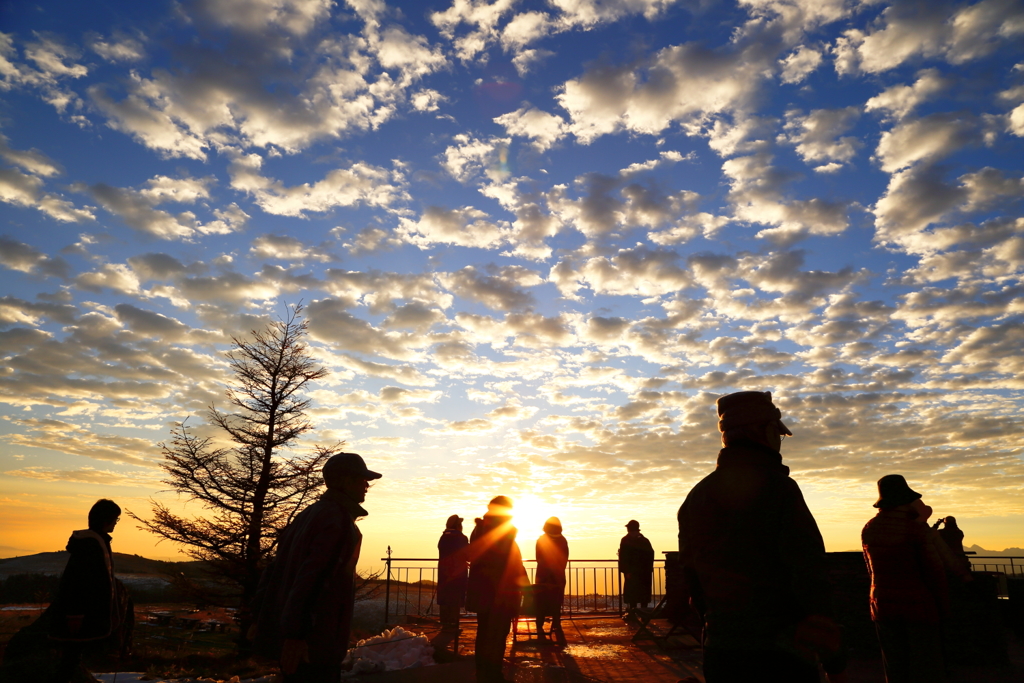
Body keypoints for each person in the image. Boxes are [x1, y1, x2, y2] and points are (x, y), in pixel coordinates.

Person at [678, 390, 846, 683]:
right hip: (782, 654)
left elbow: (694, 582)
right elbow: (808, 575)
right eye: (777, 434)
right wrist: (834, 658)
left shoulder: (696, 496)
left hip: (722, 649)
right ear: (766, 431)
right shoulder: (779, 489)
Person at [250, 453, 381, 683]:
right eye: (362, 480)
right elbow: (316, 578)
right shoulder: (338, 522)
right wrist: (297, 636)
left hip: (301, 642)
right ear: (346, 481)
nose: (367, 486)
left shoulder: (308, 515)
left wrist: (258, 618)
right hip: (315, 645)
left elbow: (274, 570)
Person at [863, 475, 950, 683]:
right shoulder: (915, 529)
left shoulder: (869, 528)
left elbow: (870, 569)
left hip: (882, 606)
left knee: (894, 666)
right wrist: (944, 606)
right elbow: (934, 571)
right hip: (918, 606)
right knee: (926, 667)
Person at [47, 499, 133, 683]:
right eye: (116, 520)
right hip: (84, 614)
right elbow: (77, 580)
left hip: (85, 612)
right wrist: (75, 614)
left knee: (72, 659)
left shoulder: (93, 541)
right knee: (70, 659)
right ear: (107, 520)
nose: (116, 524)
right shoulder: (92, 545)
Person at [466, 496, 528, 683]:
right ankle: (493, 675)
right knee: (497, 635)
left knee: (485, 633)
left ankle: (484, 673)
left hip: (484, 591)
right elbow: (510, 562)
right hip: (499, 593)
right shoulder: (501, 531)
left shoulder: (480, 529)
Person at [535, 517, 569, 640]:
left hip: (543, 574)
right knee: (557, 598)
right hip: (558, 574)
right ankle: (556, 623)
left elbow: (539, 557)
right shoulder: (562, 540)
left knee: (541, 599)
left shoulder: (541, 539)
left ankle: (539, 623)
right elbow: (564, 557)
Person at [437, 514, 470, 632]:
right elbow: (468, 555)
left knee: (445, 598)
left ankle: (445, 624)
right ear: (458, 525)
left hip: (444, 572)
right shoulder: (461, 538)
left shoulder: (443, 537)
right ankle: (453, 624)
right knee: (455, 598)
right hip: (457, 573)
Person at [618, 520, 654, 619]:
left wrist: (626, 571)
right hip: (643, 573)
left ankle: (633, 614)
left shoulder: (625, 540)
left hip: (633, 572)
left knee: (632, 594)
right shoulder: (644, 540)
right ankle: (643, 615)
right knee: (642, 595)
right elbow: (650, 556)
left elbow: (623, 557)